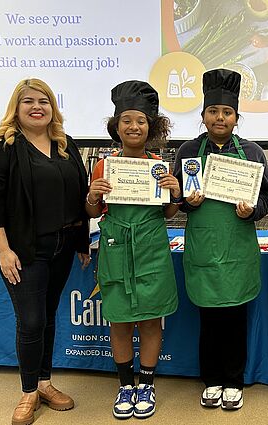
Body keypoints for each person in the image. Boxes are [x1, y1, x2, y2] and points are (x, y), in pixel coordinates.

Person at [0, 78, 91, 425]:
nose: (36, 107)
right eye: (28, 101)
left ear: (53, 108)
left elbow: (79, 196)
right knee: (30, 321)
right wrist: (4, 250)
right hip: (24, 249)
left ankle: (44, 383)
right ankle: (28, 392)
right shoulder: (0, 147)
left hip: (63, 245)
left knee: (48, 314)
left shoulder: (64, 144)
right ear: (17, 106)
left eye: (44, 101)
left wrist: (82, 242)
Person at [172, 68, 268, 411]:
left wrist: (252, 212)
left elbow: (265, 200)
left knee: (234, 318)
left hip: (237, 250)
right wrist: (188, 202)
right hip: (203, 247)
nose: (220, 118)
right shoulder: (187, 151)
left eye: (227, 112)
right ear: (203, 116)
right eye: (213, 112)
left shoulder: (253, 152)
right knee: (209, 319)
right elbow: (177, 197)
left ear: (236, 117)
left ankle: (233, 380)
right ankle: (211, 379)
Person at [85, 80, 181, 419]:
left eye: (141, 120)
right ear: (117, 126)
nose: (134, 126)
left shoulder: (159, 166)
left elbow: (169, 213)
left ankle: (148, 384)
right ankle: (126, 385)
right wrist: (93, 195)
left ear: (151, 127)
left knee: (152, 321)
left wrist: (174, 192)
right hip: (116, 248)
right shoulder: (103, 166)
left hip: (151, 248)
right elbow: (94, 212)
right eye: (127, 120)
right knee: (120, 321)